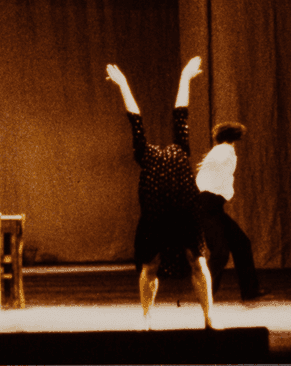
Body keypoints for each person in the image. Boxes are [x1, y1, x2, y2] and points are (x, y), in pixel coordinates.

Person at [106, 57, 213, 329]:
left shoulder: (181, 149)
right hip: (155, 216)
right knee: (150, 264)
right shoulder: (144, 153)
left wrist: (185, 79)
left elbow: (181, 113)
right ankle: (146, 317)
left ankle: (209, 317)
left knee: (198, 262)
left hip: (185, 213)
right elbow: (135, 119)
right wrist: (123, 85)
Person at [195, 121, 265, 301]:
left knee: (241, 243)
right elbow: (211, 173)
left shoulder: (221, 150)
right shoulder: (224, 150)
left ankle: (250, 290)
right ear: (234, 136)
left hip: (212, 206)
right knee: (220, 253)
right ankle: (205, 292)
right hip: (207, 205)